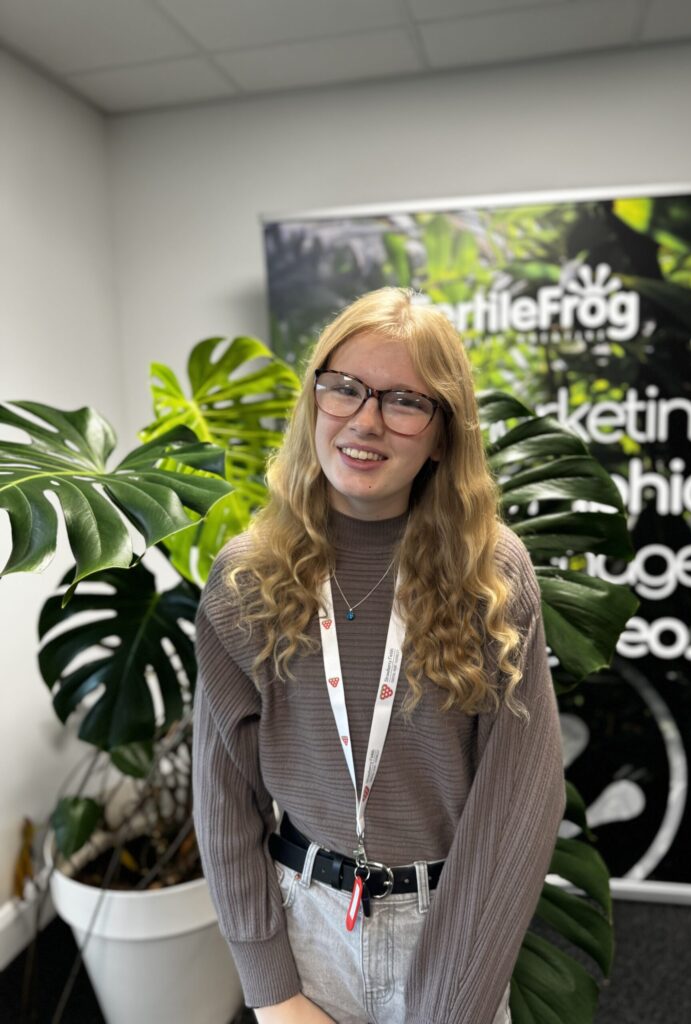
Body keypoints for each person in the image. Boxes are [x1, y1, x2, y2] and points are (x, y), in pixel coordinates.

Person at [192, 287, 565, 1024]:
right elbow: (221, 793)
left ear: (441, 432)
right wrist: (270, 989)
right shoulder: (248, 576)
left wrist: (455, 999)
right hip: (306, 926)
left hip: (452, 922)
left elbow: (522, 798)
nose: (365, 420)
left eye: (403, 401)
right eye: (345, 389)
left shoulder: (490, 573)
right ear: (315, 401)